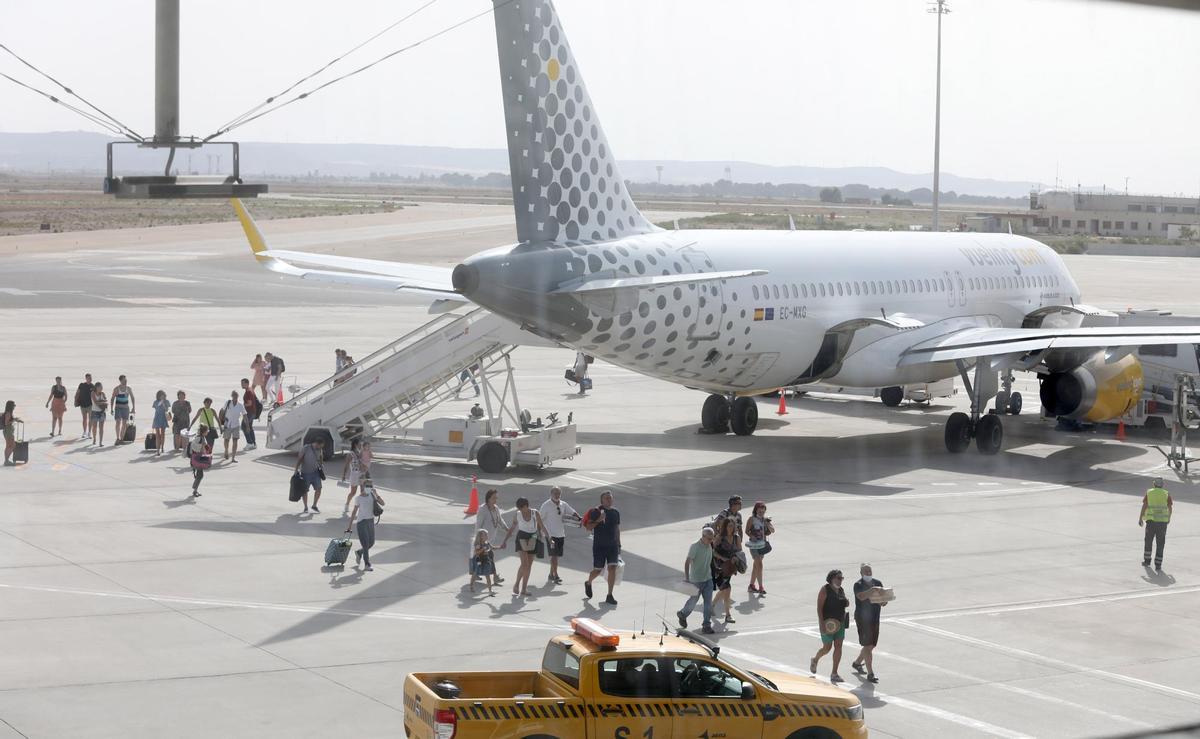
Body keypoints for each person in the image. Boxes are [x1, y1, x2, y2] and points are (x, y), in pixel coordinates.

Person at [810, 569, 850, 684]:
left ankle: (834, 673)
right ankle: (815, 659)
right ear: (832, 578)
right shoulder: (825, 589)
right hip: (828, 624)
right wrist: (821, 624)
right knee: (827, 648)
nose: (840, 580)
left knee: (839, 646)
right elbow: (819, 608)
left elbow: (844, 603)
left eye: (841, 578)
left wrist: (846, 602)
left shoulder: (841, 590)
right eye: (838, 578)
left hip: (840, 623)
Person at [583, 491, 621, 605]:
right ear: (602, 500)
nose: (609, 500)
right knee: (598, 570)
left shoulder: (615, 512)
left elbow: (617, 529)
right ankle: (588, 582)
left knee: (612, 568)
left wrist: (619, 544)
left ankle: (609, 595)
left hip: (612, 546)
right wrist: (599, 520)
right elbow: (588, 527)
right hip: (599, 546)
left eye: (610, 498)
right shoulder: (596, 512)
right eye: (606, 498)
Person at [677, 526, 716, 634]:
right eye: (709, 538)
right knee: (693, 601)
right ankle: (683, 614)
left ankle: (706, 625)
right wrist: (687, 578)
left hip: (708, 579)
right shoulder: (695, 546)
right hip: (696, 580)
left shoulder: (709, 545)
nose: (711, 541)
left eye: (712, 538)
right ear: (703, 536)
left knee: (708, 603)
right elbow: (687, 562)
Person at [851, 564, 885, 684]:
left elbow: (882, 601)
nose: (868, 573)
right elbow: (861, 597)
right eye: (865, 571)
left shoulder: (878, 582)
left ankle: (857, 663)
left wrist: (885, 599)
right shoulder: (858, 585)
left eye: (870, 570)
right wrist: (872, 590)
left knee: (871, 645)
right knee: (868, 645)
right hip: (863, 618)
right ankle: (870, 673)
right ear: (861, 573)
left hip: (875, 617)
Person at [538, 487, 580, 584]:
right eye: (555, 493)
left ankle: (551, 574)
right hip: (550, 535)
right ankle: (556, 575)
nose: (557, 495)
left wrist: (579, 518)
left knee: (556, 556)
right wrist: (539, 532)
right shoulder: (546, 505)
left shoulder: (563, 504)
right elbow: (539, 519)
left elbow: (572, 512)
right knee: (553, 556)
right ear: (551, 494)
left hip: (561, 534)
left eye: (559, 493)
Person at [509, 497, 549, 597]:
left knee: (529, 565)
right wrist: (505, 540)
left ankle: (523, 589)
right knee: (524, 564)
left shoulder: (535, 513)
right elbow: (512, 527)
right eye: (519, 508)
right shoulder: (517, 514)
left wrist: (549, 538)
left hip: (532, 537)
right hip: (521, 537)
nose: (520, 510)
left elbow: (542, 526)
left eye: (521, 508)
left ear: (526, 506)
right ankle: (516, 584)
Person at [345, 479, 384, 572]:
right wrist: (350, 525)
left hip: (371, 522)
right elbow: (354, 512)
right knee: (366, 544)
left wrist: (376, 494)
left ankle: (359, 552)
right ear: (363, 487)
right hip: (361, 523)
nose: (369, 488)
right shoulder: (358, 498)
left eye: (371, 486)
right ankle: (367, 564)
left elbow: (383, 503)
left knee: (371, 543)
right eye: (367, 486)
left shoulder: (372, 495)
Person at [474, 489, 511, 584]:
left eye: (496, 498)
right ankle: (495, 577)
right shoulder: (482, 509)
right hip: (483, 540)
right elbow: (478, 525)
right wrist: (479, 540)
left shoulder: (496, 508)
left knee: (483, 558)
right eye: (494, 498)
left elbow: (500, 520)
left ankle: (475, 573)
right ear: (488, 498)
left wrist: (507, 529)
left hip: (491, 538)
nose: (495, 500)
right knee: (490, 556)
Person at [1139, 477, 1174, 571]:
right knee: (1160, 543)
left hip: (1151, 522)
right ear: (1162, 485)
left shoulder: (1149, 492)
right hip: (1162, 523)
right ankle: (1158, 564)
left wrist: (1140, 518)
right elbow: (1170, 507)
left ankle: (1147, 561)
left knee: (1148, 541)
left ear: (1154, 484)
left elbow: (1145, 505)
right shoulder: (1166, 493)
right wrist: (1169, 518)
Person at [711, 517, 739, 625]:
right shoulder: (720, 537)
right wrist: (722, 558)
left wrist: (736, 559)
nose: (731, 528)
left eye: (732, 526)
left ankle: (712, 605)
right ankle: (728, 615)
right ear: (725, 527)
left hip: (730, 567)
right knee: (727, 589)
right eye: (729, 526)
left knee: (723, 589)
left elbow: (739, 551)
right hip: (720, 567)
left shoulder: (736, 538)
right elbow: (712, 551)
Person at [745, 501, 774, 595]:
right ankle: (761, 587)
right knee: (760, 565)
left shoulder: (764, 520)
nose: (761, 511)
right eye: (759, 509)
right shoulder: (751, 519)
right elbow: (746, 531)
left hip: (762, 545)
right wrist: (751, 535)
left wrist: (767, 523)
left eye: (763, 510)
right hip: (754, 545)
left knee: (756, 566)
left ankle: (751, 585)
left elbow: (773, 530)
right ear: (756, 510)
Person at [293, 438, 325, 513]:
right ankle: (305, 507)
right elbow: (300, 459)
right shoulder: (306, 448)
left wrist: (321, 464)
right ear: (317, 443)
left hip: (316, 472)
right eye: (320, 446)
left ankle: (314, 505)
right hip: (305, 473)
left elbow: (321, 457)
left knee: (319, 488)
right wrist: (296, 469)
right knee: (305, 491)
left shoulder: (319, 449)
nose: (321, 448)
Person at [469, 529, 497, 594]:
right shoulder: (478, 544)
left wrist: (500, 547)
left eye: (487, 535)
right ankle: (471, 585)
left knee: (487, 575)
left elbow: (492, 548)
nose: (487, 536)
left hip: (486, 560)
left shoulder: (487, 543)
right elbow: (477, 552)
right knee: (476, 572)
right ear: (481, 536)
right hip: (478, 560)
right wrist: (483, 549)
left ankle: (490, 590)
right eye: (485, 535)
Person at [341, 439, 365, 512]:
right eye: (359, 444)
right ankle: (347, 504)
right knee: (353, 492)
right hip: (354, 474)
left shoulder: (361, 453)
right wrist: (344, 475)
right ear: (355, 445)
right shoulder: (350, 454)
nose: (361, 446)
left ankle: (361, 507)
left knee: (363, 491)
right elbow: (346, 465)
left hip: (362, 474)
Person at [111, 375, 135, 444]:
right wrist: (112, 409)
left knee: (124, 423)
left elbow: (132, 398)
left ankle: (121, 439)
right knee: (118, 422)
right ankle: (117, 438)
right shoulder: (116, 389)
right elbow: (112, 398)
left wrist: (133, 407)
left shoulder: (128, 388)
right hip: (118, 407)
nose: (125, 381)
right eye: (124, 380)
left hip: (126, 408)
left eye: (126, 380)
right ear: (121, 381)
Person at [220, 391, 244, 462]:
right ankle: (226, 450)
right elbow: (222, 411)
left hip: (236, 425)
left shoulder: (240, 405)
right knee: (226, 440)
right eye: (233, 395)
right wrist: (221, 421)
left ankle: (233, 457)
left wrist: (247, 425)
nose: (235, 397)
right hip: (227, 424)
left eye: (236, 395)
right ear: (231, 396)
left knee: (235, 440)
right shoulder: (228, 403)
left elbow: (244, 414)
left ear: (238, 396)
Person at [188, 425, 212, 497]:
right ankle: (195, 490)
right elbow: (193, 446)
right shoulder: (199, 438)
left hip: (198, 458)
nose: (207, 432)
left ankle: (195, 489)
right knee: (200, 475)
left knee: (200, 475)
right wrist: (202, 447)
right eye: (207, 431)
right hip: (197, 459)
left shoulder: (202, 438)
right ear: (204, 432)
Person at [240, 378, 259, 451]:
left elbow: (249, 403)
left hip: (249, 413)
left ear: (247, 383)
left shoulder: (248, 392)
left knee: (244, 426)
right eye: (241, 383)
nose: (241, 385)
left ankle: (249, 442)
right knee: (250, 427)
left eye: (243, 383)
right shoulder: (251, 390)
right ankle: (253, 443)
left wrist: (243, 406)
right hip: (252, 412)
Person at [74, 373, 94, 438]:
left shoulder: (93, 386)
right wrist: (75, 401)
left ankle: (89, 432)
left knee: (90, 419)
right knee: (84, 418)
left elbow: (95, 396)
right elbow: (77, 393)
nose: (90, 379)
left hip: (90, 405)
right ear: (86, 378)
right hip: (82, 405)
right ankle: (84, 432)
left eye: (91, 378)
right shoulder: (82, 385)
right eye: (89, 378)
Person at [151, 390, 170, 455]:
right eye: (161, 395)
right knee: (157, 434)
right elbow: (156, 407)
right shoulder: (155, 402)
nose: (162, 396)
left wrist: (163, 403)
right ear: (158, 396)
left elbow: (166, 409)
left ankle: (162, 447)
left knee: (163, 434)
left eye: (163, 395)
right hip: (157, 418)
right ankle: (158, 449)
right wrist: (161, 401)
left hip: (163, 418)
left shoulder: (167, 402)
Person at [90, 382, 108, 447]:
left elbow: (106, 401)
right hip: (94, 412)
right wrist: (102, 402)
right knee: (94, 427)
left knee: (101, 428)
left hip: (102, 412)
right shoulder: (92, 393)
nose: (101, 388)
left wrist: (101, 402)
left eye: (102, 387)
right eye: (100, 387)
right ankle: (94, 438)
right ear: (96, 387)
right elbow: (95, 402)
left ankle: (100, 442)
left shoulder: (103, 394)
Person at [2, 401, 19, 466]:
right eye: (13, 405)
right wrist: (14, 420)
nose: (14, 406)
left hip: (8, 431)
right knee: (12, 445)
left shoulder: (8, 413)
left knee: (9, 446)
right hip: (8, 431)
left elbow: (8, 420)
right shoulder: (8, 413)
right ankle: (6, 460)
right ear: (10, 406)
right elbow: (6, 423)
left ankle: (6, 460)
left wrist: (15, 419)